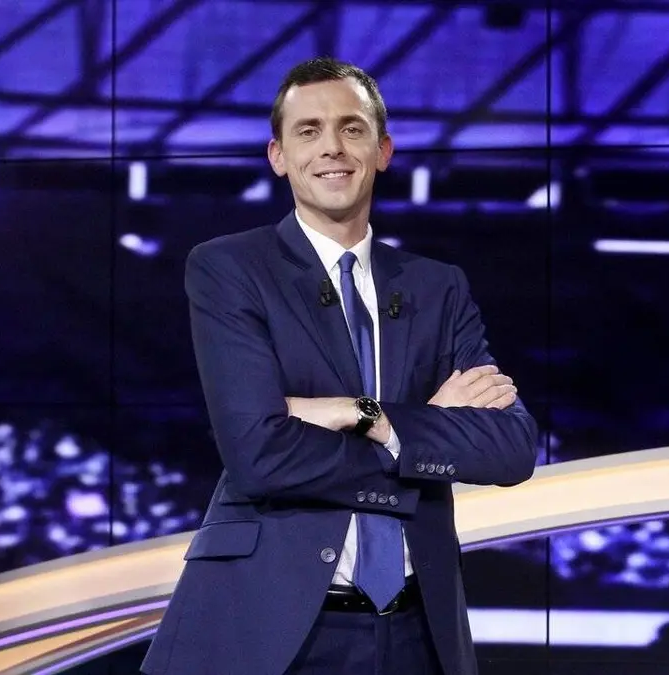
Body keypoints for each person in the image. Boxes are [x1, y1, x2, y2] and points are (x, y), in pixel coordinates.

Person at [140, 57, 540, 675]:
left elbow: (510, 449)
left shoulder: (437, 286)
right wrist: (424, 433)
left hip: (418, 631)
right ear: (278, 156)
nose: (332, 147)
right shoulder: (230, 268)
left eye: (352, 129)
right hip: (271, 627)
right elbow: (258, 456)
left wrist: (366, 417)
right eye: (309, 131)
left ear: (383, 151)